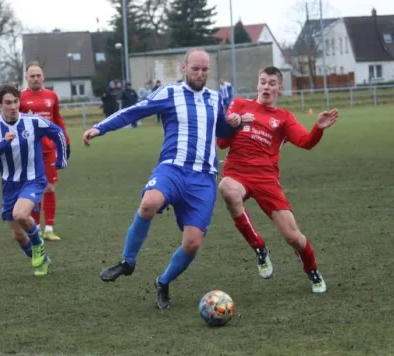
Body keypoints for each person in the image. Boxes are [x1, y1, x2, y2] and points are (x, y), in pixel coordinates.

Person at [82, 49, 241, 310]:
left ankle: (163, 282)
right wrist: (100, 127)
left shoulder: (215, 98)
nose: (200, 74)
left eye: (204, 69)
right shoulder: (169, 93)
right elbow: (134, 111)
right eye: (195, 69)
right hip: (172, 169)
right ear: (184, 67)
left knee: (192, 244)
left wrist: (233, 124)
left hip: (203, 179)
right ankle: (127, 262)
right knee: (149, 202)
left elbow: (221, 130)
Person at [217, 66, 339, 294]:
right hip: (237, 172)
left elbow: (305, 142)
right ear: (257, 84)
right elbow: (222, 143)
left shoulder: (283, 118)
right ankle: (259, 248)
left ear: (279, 89)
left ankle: (312, 270)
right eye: (263, 81)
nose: (266, 86)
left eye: (272, 83)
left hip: (266, 180)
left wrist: (318, 129)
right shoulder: (240, 105)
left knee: (293, 237)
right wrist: (232, 123)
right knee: (227, 188)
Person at [0, 84, 68, 276]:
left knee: (21, 214)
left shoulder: (33, 121)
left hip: (33, 179)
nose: (13, 106)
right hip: (9, 184)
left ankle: (38, 244)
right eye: (8, 103)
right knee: (18, 235)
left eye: (16, 102)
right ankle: (43, 260)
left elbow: (58, 132)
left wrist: (61, 158)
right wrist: (4, 142)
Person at [19, 62, 71, 241]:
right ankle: (35, 228)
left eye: (38, 75)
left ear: (43, 77)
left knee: (49, 187)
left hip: (49, 150)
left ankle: (49, 228)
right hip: (30, 151)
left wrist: (66, 142)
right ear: (26, 78)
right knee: (33, 190)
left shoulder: (52, 96)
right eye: (32, 76)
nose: (35, 78)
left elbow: (58, 121)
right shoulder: (20, 98)